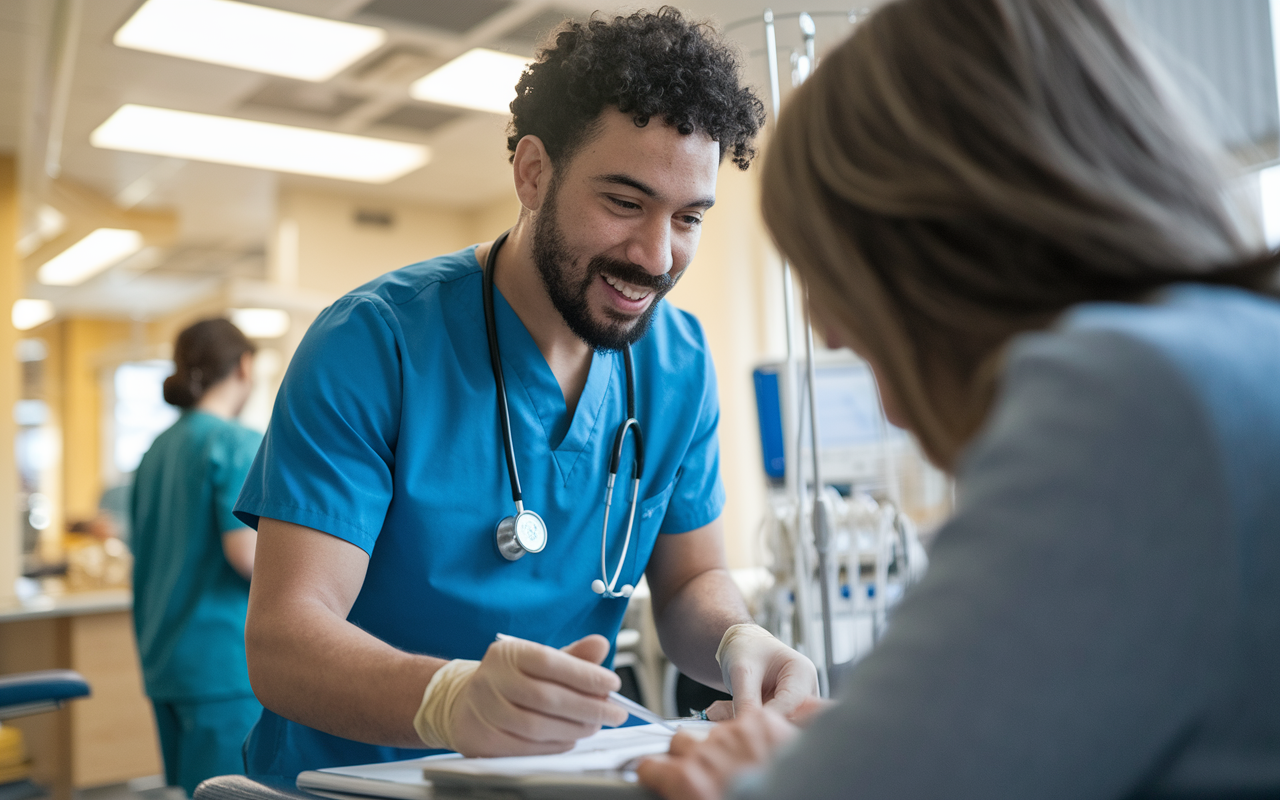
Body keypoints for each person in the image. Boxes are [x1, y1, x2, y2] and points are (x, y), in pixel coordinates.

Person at [636, 0, 1280, 798]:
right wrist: (899, 735)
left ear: (935, 253)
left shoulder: (1130, 400)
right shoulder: (1244, 349)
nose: (898, 415)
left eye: (864, 337)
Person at [233, 8, 818, 778]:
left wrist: (742, 642)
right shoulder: (374, 344)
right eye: (624, 202)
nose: (655, 255)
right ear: (533, 171)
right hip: (355, 782)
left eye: (688, 218)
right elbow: (283, 640)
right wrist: (447, 699)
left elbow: (689, 584)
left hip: (559, 777)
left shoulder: (678, 362)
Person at [131, 318, 263, 795]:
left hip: (165, 660)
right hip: (221, 666)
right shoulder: (234, 441)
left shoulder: (156, 450)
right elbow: (246, 554)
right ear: (244, 366)